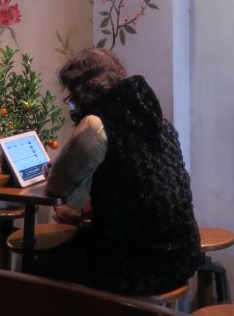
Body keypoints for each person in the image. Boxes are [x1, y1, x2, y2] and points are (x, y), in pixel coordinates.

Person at [29, 47, 202, 296]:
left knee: (37, 270)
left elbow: (58, 186)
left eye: (71, 95)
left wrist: (52, 172)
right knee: (69, 250)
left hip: (136, 263)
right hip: (183, 256)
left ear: (80, 89)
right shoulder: (160, 124)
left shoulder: (96, 125)